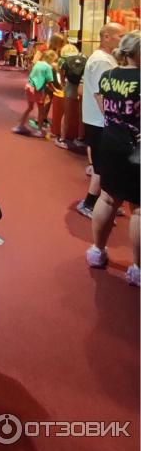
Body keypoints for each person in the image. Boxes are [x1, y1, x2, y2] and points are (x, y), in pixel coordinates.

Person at [85, 32, 140, 287]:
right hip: (135, 148)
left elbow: (104, 108)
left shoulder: (108, 76)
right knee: (138, 209)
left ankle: (97, 250)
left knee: (107, 198)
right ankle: (137, 268)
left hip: (110, 142)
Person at [76, 22, 125, 218]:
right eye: (120, 36)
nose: (122, 40)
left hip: (98, 120)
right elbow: (101, 95)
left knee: (104, 165)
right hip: (100, 121)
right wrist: (113, 120)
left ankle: (104, 202)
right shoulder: (102, 61)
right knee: (101, 166)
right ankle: (89, 204)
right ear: (106, 37)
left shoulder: (104, 59)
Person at [12, 50, 58, 137]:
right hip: (37, 89)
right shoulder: (48, 67)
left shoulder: (38, 63)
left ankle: (20, 125)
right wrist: (56, 90)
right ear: (51, 58)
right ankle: (39, 130)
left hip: (29, 86)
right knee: (41, 110)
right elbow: (50, 82)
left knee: (30, 107)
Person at [55, 43, 86, 148]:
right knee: (82, 113)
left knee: (67, 113)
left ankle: (62, 138)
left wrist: (63, 85)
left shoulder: (64, 60)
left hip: (70, 85)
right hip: (83, 85)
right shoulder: (83, 58)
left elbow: (61, 74)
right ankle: (80, 138)